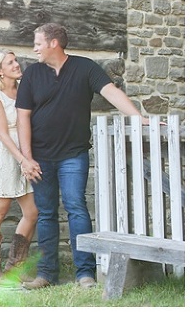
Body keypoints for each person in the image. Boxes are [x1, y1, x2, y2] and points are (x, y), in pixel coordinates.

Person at [16, 23, 148, 290]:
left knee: (76, 208)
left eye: (38, 43)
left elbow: (111, 92)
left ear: (54, 43)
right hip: (40, 157)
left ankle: (84, 273)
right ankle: (47, 274)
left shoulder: (85, 67)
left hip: (73, 154)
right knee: (45, 214)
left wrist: (138, 118)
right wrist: (26, 158)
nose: (34, 48)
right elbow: (23, 117)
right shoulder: (32, 74)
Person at [0, 49, 38, 285]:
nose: (17, 64)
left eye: (16, 60)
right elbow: (3, 134)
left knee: (33, 212)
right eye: (10, 62)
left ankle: (15, 266)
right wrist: (22, 160)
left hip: (25, 152)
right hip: (4, 156)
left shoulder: (23, 90)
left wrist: (28, 157)